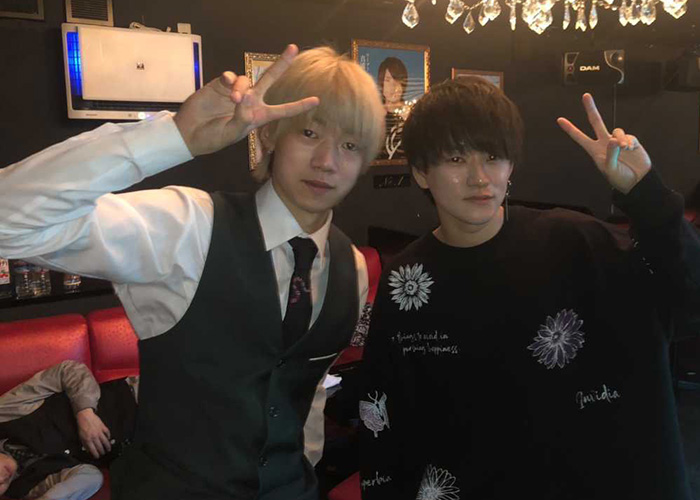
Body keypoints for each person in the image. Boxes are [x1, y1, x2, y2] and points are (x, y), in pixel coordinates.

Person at [0, 44, 385, 500]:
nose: (327, 161)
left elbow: (307, 393)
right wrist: (175, 137)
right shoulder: (188, 228)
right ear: (270, 134)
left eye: (349, 145)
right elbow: (10, 221)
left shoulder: (351, 267)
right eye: (309, 132)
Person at [358, 77, 700, 499]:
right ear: (421, 173)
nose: (479, 178)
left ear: (511, 166)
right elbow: (383, 414)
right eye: (456, 158)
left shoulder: (575, 243)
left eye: (493, 156)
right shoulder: (405, 281)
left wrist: (647, 194)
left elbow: (689, 299)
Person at [0, 361, 137, 500]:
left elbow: (69, 370)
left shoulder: (4, 412)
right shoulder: (24, 489)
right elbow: (91, 477)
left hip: (135, 399)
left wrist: (85, 413)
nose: (1, 479)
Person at [377, 57, 408, 160]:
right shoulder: (375, 116)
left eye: (397, 80)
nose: (393, 86)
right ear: (382, 83)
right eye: (388, 80)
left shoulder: (411, 116)